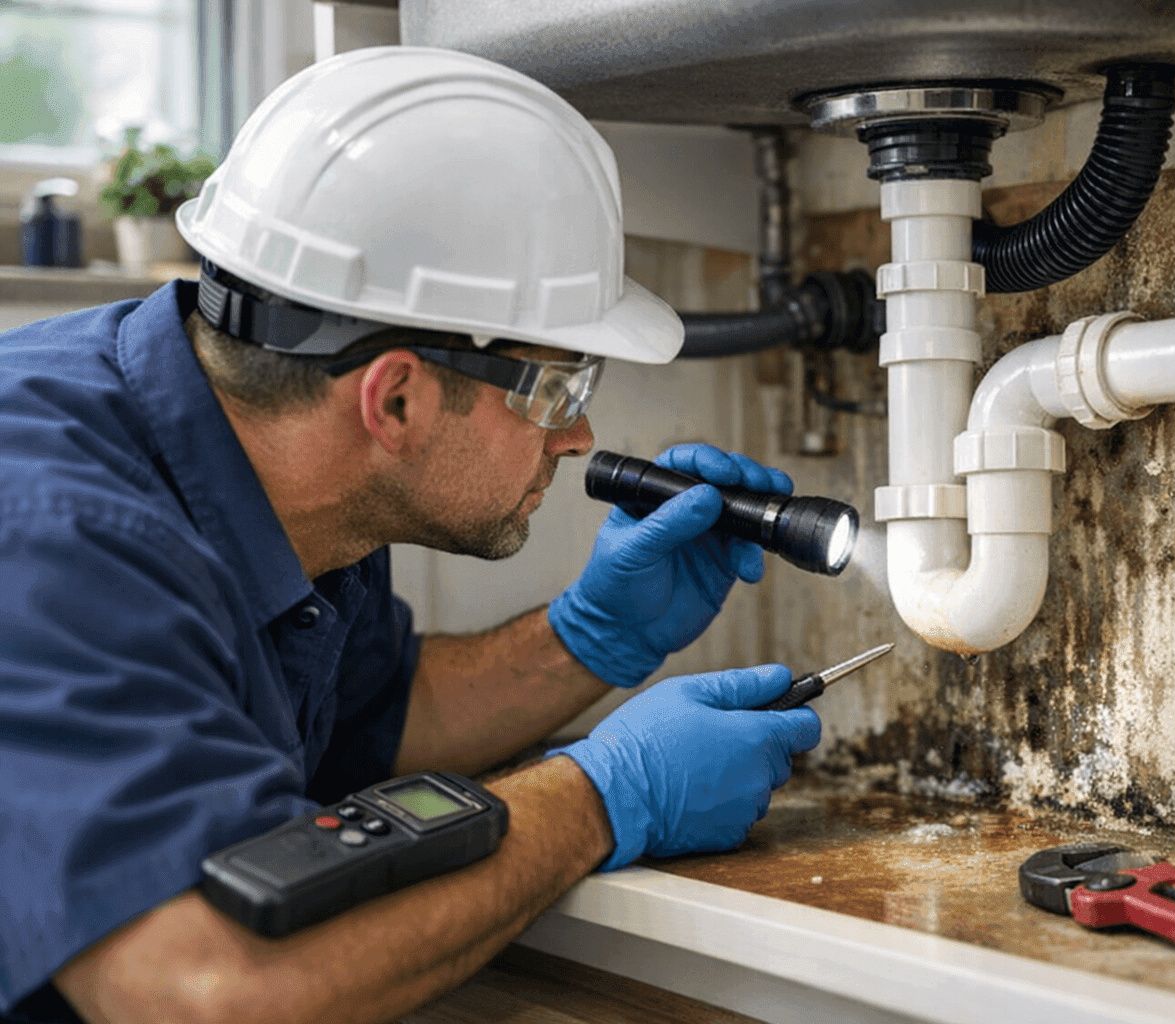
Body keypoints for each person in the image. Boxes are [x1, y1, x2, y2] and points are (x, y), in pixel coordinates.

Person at [0, 48, 820, 1024]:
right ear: (395, 396)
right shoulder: (52, 534)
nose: (579, 437)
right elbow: (212, 989)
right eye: (559, 388)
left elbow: (371, 723)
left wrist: (588, 638)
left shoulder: (293, 479)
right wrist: (602, 798)